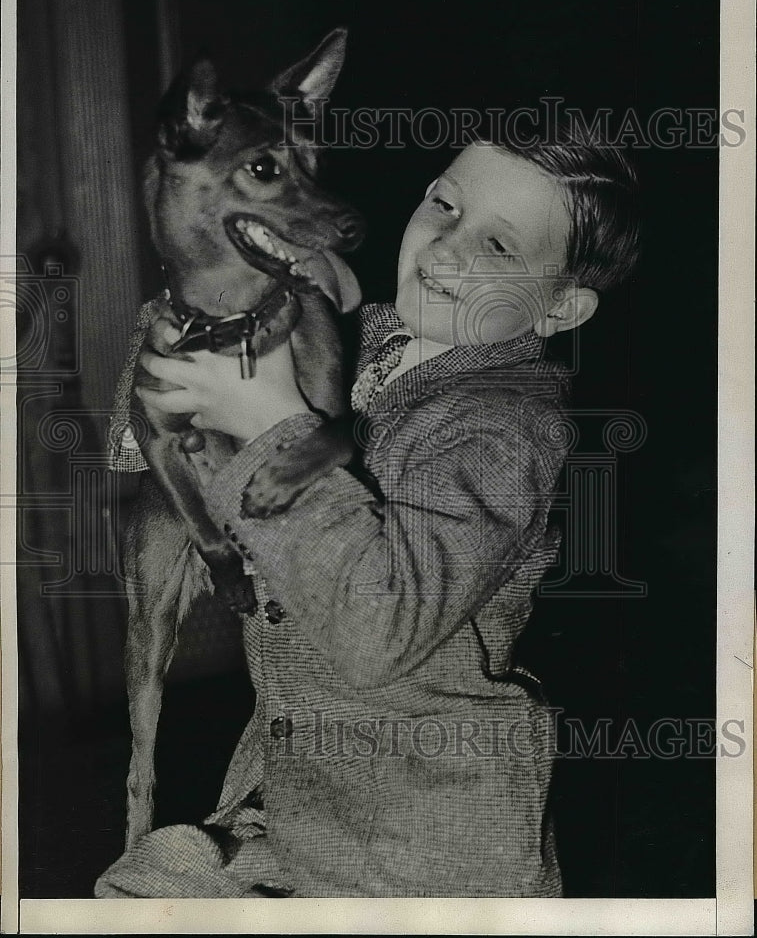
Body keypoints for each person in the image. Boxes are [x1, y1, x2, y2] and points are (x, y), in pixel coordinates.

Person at [95, 130, 639, 898]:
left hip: (433, 845)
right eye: (443, 204)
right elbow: (148, 451)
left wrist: (270, 428)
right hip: (288, 805)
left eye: (498, 245)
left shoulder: (504, 429)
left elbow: (376, 633)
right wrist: (199, 320)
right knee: (133, 891)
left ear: (559, 308)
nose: (446, 246)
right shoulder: (349, 345)